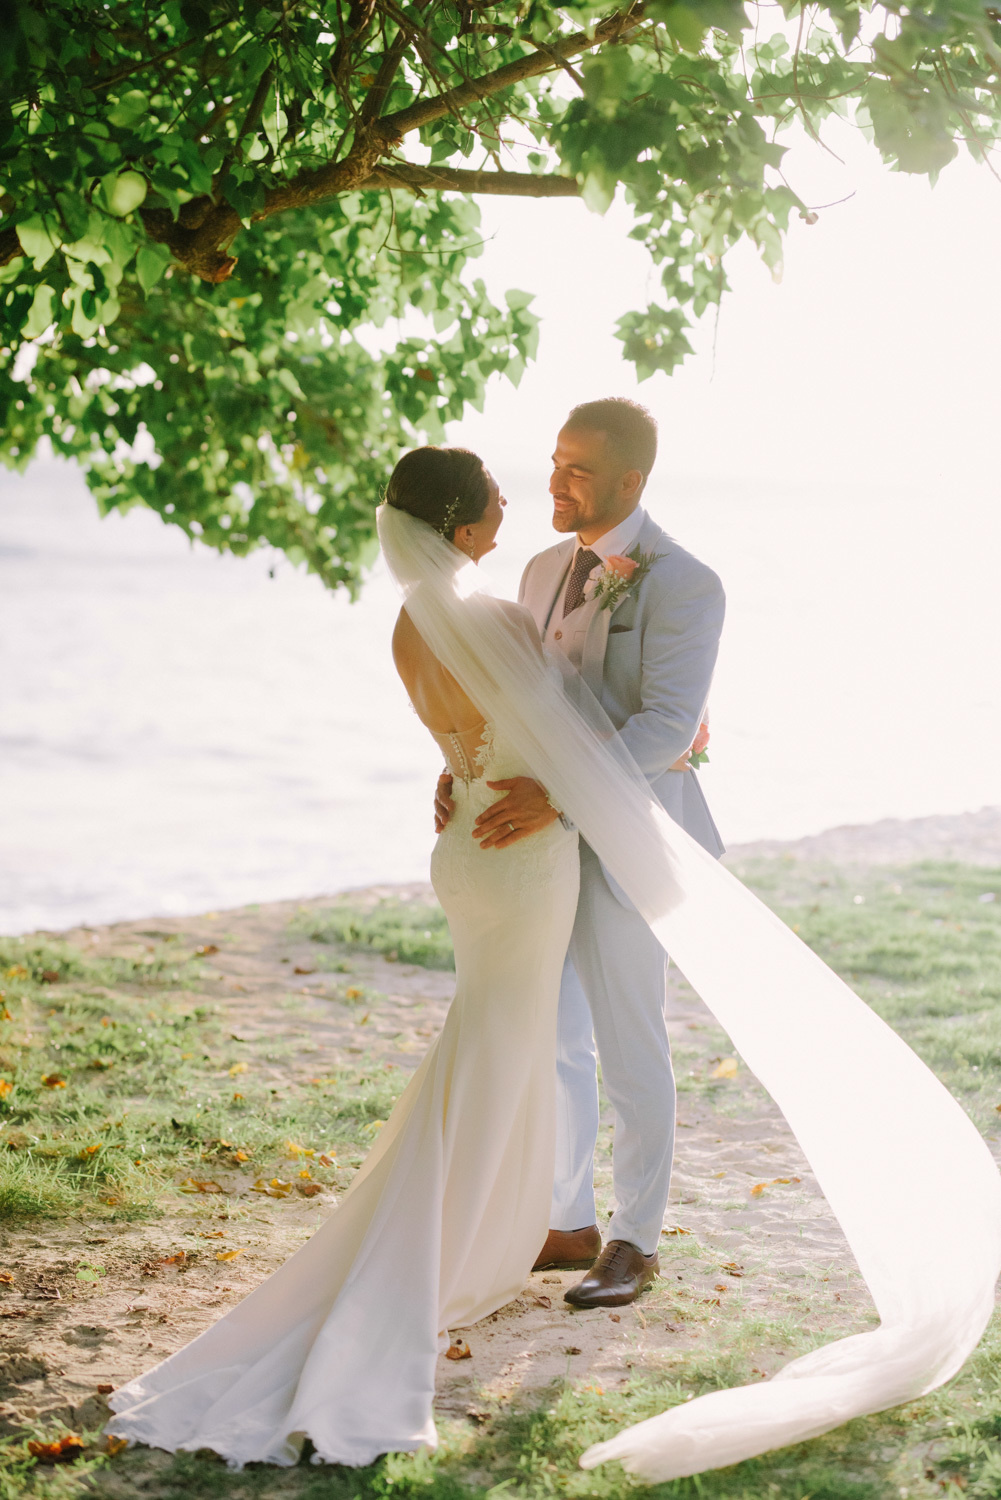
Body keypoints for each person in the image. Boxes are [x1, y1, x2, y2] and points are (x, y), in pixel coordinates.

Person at [106, 442, 1000, 1481]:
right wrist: (662, 744)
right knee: (505, 1045)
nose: (513, 501)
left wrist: (481, 774)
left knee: (494, 1041)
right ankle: (451, 1244)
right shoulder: (488, 613)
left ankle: (493, 1228)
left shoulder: (414, 619)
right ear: (460, 517)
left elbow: (468, 744)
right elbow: (563, 740)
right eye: (495, 492)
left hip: (465, 846)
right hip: (525, 857)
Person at [435, 398, 725, 1307]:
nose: (555, 483)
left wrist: (557, 795)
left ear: (630, 481)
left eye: (578, 470)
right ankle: (565, 1222)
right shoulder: (534, 568)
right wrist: (463, 766)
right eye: (554, 463)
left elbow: (668, 728)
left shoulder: (685, 583)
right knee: (552, 1035)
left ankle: (634, 1240)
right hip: (538, 846)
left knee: (628, 1039)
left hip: (632, 841)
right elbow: (511, 697)